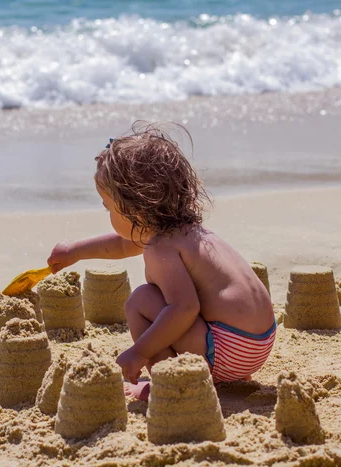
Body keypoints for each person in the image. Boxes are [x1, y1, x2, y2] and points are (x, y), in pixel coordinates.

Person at [47, 122, 275, 401]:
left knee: (140, 301)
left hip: (229, 350)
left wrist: (139, 352)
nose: (106, 212)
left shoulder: (160, 249)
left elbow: (185, 307)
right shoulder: (188, 232)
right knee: (166, 301)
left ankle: (168, 382)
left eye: (108, 206)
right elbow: (121, 243)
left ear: (135, 209)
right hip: (258, 343)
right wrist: (75, 250)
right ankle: (225, 370)